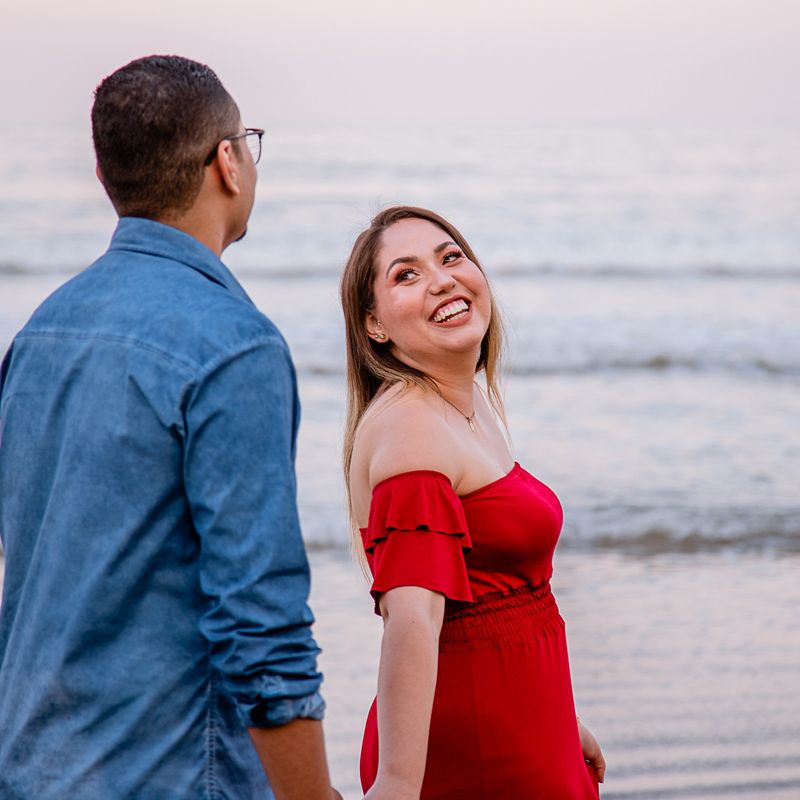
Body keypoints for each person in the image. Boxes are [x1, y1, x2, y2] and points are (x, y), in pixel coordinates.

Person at [0, 56, 339, 800]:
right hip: (174, 775)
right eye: (247, 141)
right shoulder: (234, 345)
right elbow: (261, 620)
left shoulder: (40, 334)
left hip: (32, 769)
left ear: (106, 179)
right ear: (228, 162)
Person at [340, 206, 606, 799]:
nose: (441, 279)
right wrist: (398, 785)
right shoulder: (412, 428)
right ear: (375, 326)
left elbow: (498, 594)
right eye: (405, 275)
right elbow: (412, 619)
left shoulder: (464, 403)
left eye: (451, 256)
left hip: (523, 729)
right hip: (479, 756)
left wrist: (562, 721)